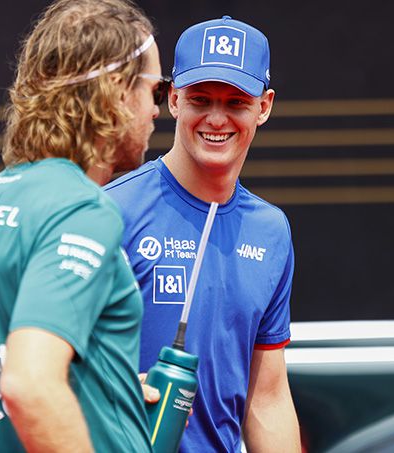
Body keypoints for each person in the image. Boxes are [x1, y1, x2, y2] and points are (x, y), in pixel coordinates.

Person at [0, 0, 170, 451]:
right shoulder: (81, 210)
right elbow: (29, 384)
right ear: (116, 92)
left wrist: (108, 393)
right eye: (156, 90)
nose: (156, 110)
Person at [105, 16, 301, 452]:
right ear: (174, 99)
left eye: (236, 102)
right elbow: (41, 368)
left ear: (264, 107)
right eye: (200, 99)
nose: (216, 118)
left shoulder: (270, 231)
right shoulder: (110, 211)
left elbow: (267, 397)